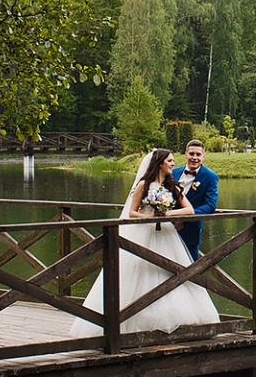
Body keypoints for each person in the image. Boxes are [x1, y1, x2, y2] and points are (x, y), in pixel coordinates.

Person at [68, 147, 220, 336]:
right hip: (144, 232)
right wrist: (148, 215)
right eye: (170, 161)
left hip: (166, 234)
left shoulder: (173, 186)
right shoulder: (143, 185)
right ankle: (129, 317)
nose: (174, 164)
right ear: (160, 163)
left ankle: (174, 316)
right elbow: (131, 212)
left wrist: (167, 213)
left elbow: (189, 210)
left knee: (170, 270)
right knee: (139, 270)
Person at [174, 138, 220, 258]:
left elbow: (210, 205)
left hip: (190, 231)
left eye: (198, 154)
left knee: (191, 271)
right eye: (191, 154)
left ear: (203, 156)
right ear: (186, 155)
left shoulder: (210, 177)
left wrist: (185, 217)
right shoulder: (173, 173)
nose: (194, 157)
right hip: (166, 229)